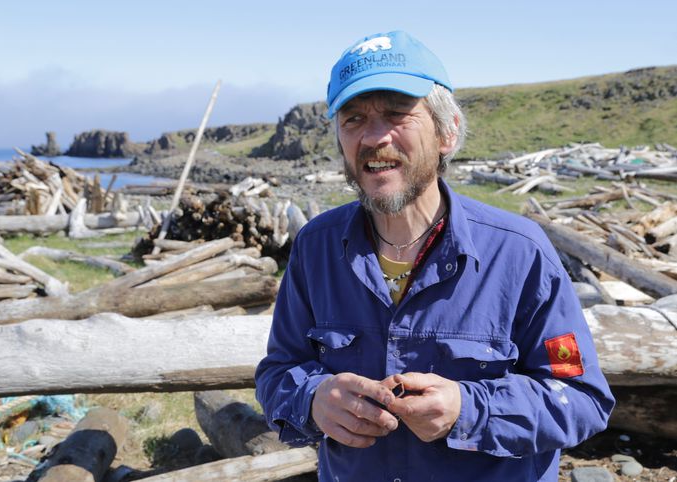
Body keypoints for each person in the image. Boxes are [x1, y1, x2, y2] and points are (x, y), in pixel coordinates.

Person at [255, 30, 614, 481]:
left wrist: (471, 409)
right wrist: (312, 399)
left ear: (448, 132)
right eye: (353, 119)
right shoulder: (316, 247)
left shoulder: (520, 252)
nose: (374, 137)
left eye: (397, 114)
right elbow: (277, 372)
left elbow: (580, 398)